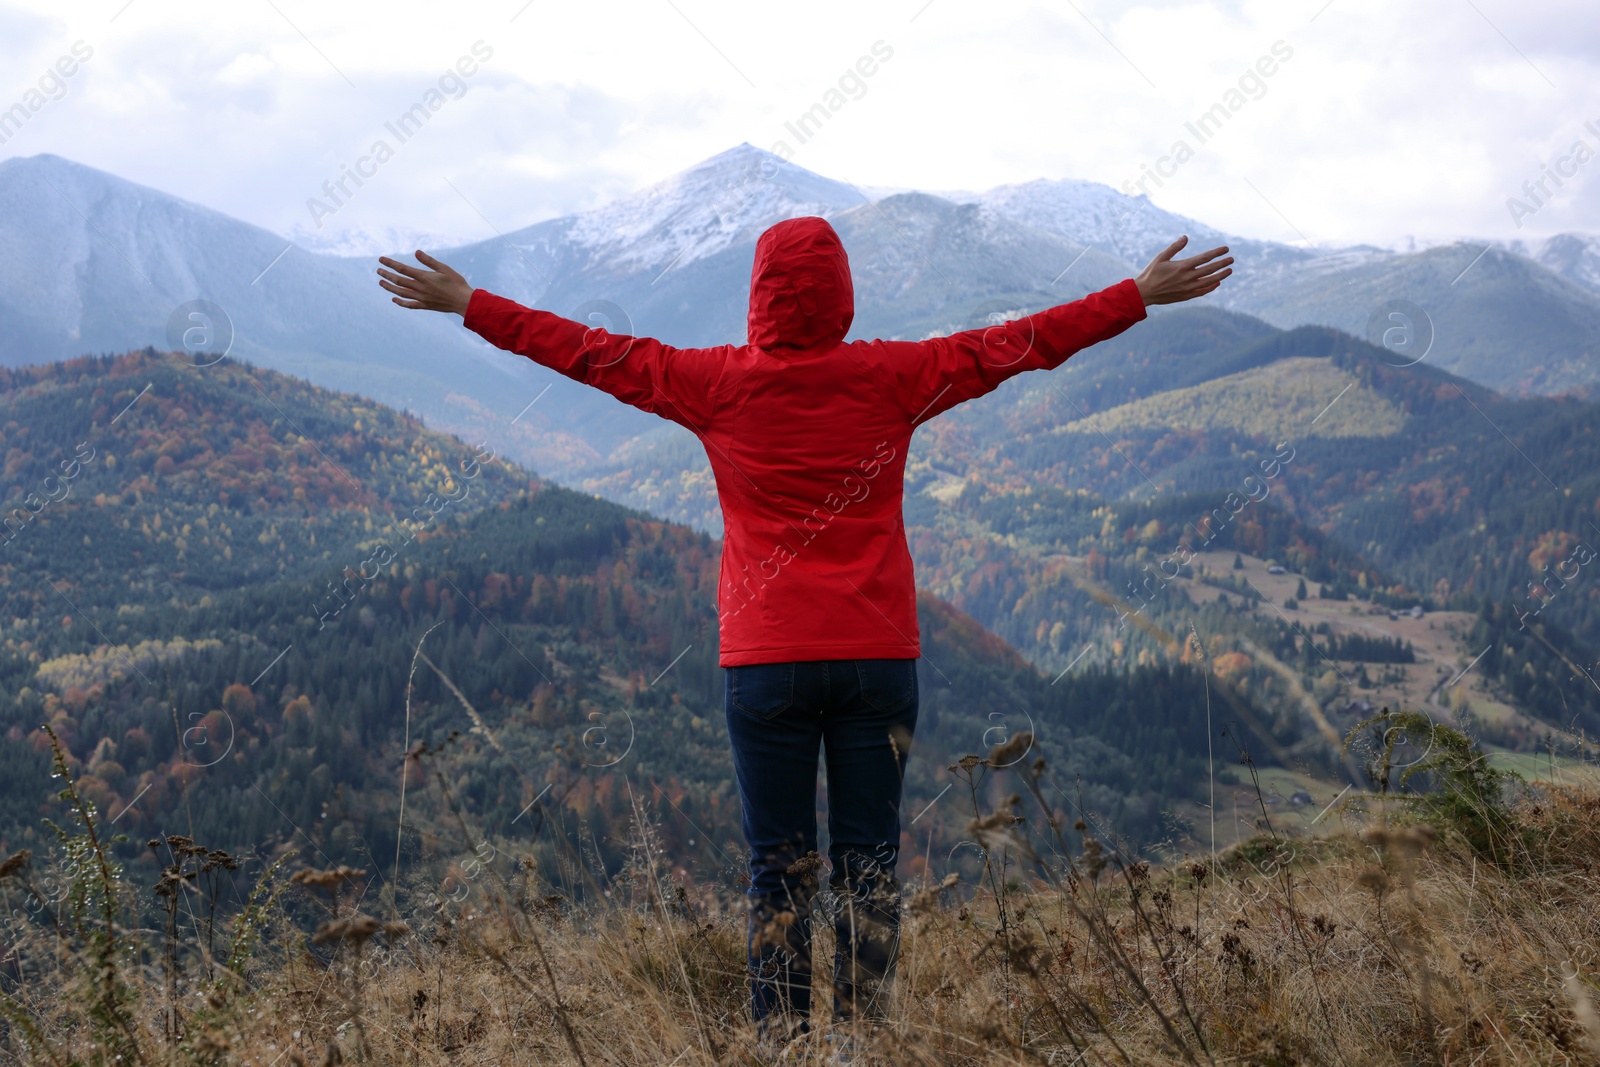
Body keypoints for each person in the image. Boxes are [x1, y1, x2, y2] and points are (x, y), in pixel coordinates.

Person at [376, 217, 1230, 1036]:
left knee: (777, 876)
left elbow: (590, 354)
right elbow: (1022, 344)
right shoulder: (895, 375)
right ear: (843, 294)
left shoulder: (713, 382)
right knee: (869, 869)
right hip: (876, 662)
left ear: (757, 296)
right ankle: (863, 1044)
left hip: (766, 666)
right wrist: (1136, 294)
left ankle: (782, 1046)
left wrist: (470, 303)